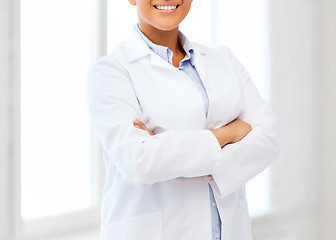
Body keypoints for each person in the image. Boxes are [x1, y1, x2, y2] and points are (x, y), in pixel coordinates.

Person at [87, 0, 279, 240]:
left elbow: (269, 136)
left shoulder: (222, 58)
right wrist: (227, 135)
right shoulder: (110, 72)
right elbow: (139, 161)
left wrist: (175, 156)